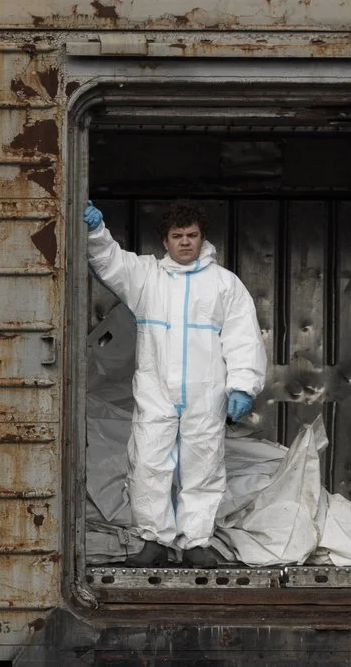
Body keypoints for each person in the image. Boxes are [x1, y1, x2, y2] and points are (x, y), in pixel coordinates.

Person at [82, 200, 265, 566]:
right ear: (164, 242)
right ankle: (154, 540)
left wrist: (243, 385)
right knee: (149, 464)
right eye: (177, 236)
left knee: (203, 465)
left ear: (202, 238)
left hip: (205, 393)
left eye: (191, 235)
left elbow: (243, 336)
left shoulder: (224, 284)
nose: (185, 242)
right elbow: (110, 261)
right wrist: (96, 231)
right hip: (157, 392)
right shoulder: (146, 277)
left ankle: (196, 541)